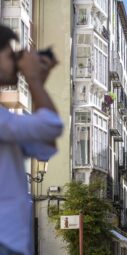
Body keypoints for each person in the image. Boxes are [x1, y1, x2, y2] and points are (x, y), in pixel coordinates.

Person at [0, 25, 63, 255]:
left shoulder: (4, 118)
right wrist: (34, 81)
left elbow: (45, 146)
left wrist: (38, 84)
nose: (17, 63)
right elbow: (52, 126)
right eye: (10, 55)